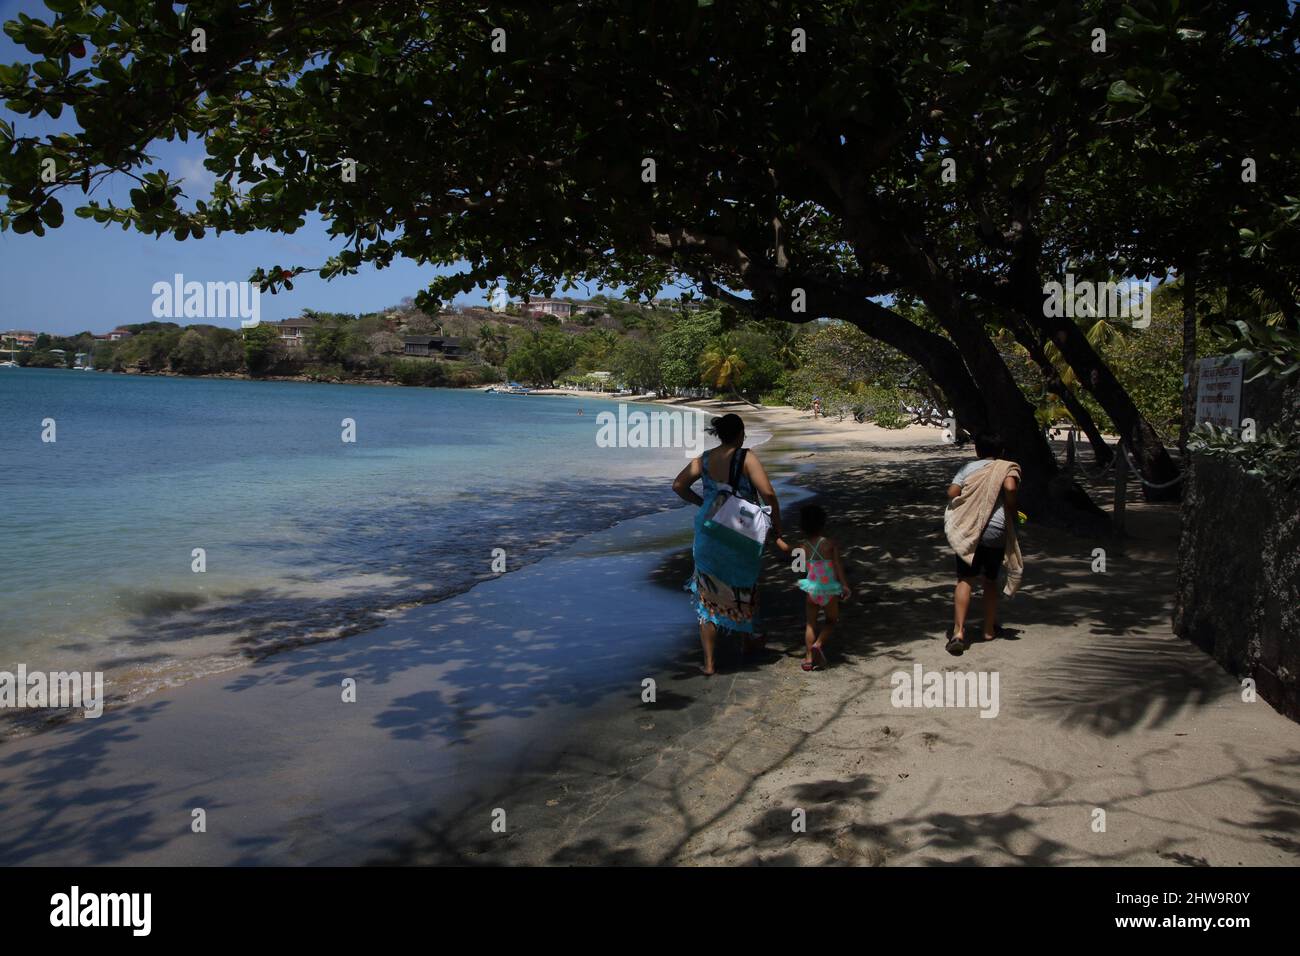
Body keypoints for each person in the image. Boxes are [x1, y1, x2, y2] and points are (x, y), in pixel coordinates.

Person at [672, 413, 782, 676]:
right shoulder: (747, 457)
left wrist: (703, 504)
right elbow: (768, 493)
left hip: (709, 529)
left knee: (708, 594)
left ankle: (710, 663)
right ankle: (747, 640)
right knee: (743, 585)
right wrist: (776, 524)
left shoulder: (705, 459)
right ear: (741, 433)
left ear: (720, 434)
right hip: (741, 530)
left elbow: (678, 485)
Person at [943, 433, 1023, 655]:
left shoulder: (968, 468)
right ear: (1003, 452)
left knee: (965, 579)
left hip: (969, 531)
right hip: (995, 532)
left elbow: (952, 492)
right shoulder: (1007, 468)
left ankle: (958, 632)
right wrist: (1010, 505)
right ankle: (988, 630)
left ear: (977, 450)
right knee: (990, 580)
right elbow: (1010, 488)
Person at [776, 504, 851, 671]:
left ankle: (808, 658)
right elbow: (838, 566)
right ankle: (818, 644)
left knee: (810, 624)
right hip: (829, 589)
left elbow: (789, 552)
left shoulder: (803, 547)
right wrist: (844, 585)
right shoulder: (829, 544)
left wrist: (777, 538)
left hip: (812, 590)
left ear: (802, 527)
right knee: (831, 620)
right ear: (823, 524)